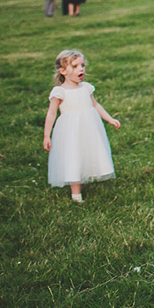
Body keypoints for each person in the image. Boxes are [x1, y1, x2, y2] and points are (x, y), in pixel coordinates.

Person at [43, 50, 121, 202]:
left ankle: (89, 173)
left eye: (83, 65)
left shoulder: (86, 88)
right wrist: (47, 135)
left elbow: (95, 105)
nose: (81, 69)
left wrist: (109, 119)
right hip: (71, 130)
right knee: (74, 155)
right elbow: (51, 114)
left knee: (88, 152)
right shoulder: (60, 92)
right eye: (75, 66)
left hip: (89, 128)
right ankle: (76, 193)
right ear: (63, 71)